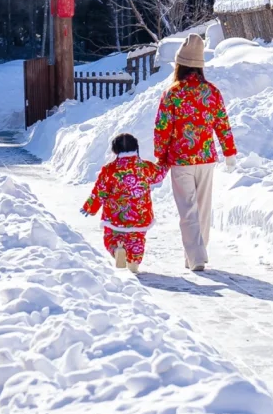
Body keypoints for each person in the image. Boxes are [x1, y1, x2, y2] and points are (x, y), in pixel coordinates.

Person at [153, 33, 238, 271]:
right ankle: (196, 254)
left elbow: (162, 128)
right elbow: (222, 124)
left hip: (181, 159)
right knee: (203, 208)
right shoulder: (212, 92)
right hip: (206, 158)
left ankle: (196, 256)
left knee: (188, 210)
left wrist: (160, 155)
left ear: (180, 64)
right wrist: (229, 153)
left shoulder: (173, 93)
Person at [80, 131, 167, 272]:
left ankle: (117, 250)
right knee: (137, 241)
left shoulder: (109, 170)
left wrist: (90, 207)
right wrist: (164, 161)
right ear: (136, 147)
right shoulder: (145, 167)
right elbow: (159, 174)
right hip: (140, 216)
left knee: (111, 238)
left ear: (115, 150)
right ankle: (134, 262)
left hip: (115, 217)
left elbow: (100, 191)